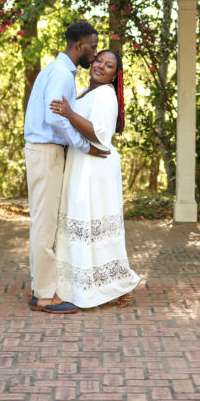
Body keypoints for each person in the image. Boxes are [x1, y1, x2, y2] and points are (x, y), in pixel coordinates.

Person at [23, 21, 107, 314]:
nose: (94, 55)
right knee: (45, 225)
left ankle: (39, 289)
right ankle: (45, 296)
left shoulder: (58, 70)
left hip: (44, 152)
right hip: (46, 152)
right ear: (79, 46)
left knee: (43, 223)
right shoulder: (61, 74)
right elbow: (56, 119)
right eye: (93, 47)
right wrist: (86, 146)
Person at [49, 49, 140, 309]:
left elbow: (100, 135)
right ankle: (82, 285)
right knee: (83, 224)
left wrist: (69, 113)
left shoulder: (105, 95)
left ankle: (119, 284)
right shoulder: (87, 92)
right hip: (82, 163)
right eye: (99, 60)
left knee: (92, 224)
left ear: (114, 75)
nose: (101, 66)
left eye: (109, 65)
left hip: (95, 166)